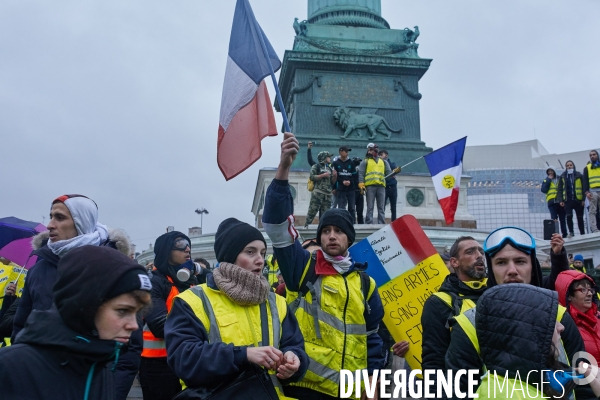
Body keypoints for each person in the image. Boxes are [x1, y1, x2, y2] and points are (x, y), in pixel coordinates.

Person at [262, 132, 385, 399]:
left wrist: (374, 378)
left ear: (349, 238)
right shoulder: (305, 269)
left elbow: (373, 338)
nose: (331, 235)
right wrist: (284, 167)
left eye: (338, 231)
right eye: (325, 231)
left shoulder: (365, 283)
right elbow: (277, 226)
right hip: (306, 387)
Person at [9, 194, 140, 400]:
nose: (50, 225)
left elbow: (130, 345)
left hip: (94, 384)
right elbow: (21, 328)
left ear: (81, 222)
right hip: (41, 384)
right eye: (51, 216)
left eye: (60, 218)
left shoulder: (112, 267)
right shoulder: (39, 268)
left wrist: (111, 390)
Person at [165, 218, 308, 398]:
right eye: (250, 252)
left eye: (263, 253)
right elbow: (183, 359)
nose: (260, 260)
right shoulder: (192, 301)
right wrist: (243, 355)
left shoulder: (276, 302)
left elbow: (294, 346)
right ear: (230, 256)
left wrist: (294, 361)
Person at [444, 227, 589, 399]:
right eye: (501, 262)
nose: (512, 270)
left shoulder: (559, 315)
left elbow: (584, 384)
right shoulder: (469, 325)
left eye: (520, 261)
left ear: (532, 267)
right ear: (491, 269)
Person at [0, 245, 152, 400]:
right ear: (86, 304)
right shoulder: (9, 367)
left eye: (137, 312)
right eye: (122, 311)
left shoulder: (101, 366)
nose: (133, 325)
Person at [475, 284, 577, 400]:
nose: (561, 327)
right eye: (550, 321)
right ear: (524, 331)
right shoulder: (515, 396)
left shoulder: (505, 385)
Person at [421, 236, 488, 398]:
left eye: (481, 251)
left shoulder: (498, 295)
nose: (479, 255)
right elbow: (434, 360)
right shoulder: (439, 303)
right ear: (454, 262)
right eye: (470, 252)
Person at [139, 231, 198, 400]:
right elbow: (160, 327)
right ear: (166, 251)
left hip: (186, 359)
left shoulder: (190, 281)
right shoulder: (153, 282)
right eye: (180, 245)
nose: (187, 249)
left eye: (189, 245)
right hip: (158, 366)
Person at [556, 270, 600, 363]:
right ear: (568, 295)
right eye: (583, 290)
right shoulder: (563, 327)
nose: (589, 294)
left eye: (590, 290)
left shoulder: (598, 318)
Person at [358, 143, 398, 224]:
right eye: (371, 150)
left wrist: (394, 172)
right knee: (370, 207)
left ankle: (381, 223)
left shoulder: (383, 162)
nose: (373, 151)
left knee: (381, 207)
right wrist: (361, 184)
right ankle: (369, 223)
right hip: (370, 186)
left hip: (381, 186)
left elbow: (388, 174)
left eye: (374, 149)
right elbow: (361, 173)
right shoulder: (365, 161)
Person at [305, 151, 337, 228]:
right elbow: (312, 177)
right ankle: (305, 227)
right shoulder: (316, 166)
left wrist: (335, 176)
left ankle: (323, 230)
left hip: (328, 195)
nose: (330, 158)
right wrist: (323, 175)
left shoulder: (329, 168)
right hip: (318, 194)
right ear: (324, 158)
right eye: (328, 157)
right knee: (312, 212)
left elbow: (331, 182)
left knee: (325, 215)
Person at [558, 160, 585, 237]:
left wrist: (583, 199)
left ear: (573, 166)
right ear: (566, 167)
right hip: (567, 200)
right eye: (567, 165)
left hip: (578, 200)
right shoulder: (562, 176)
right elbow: (559, 189)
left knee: (580, 217)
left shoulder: (579, 175)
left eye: (571, 165)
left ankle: (582, 233)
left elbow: (583, 187)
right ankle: (571, 232)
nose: (569, 167)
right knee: (569, 216)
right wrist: (561, 200)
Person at [332, 145, 357, 223]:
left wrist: (349, 181)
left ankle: (352, 223)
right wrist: (340, 183)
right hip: (341, 188)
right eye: (345, 151)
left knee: (352, 207)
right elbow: (335, 176)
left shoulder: (351, 163)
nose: (347, 153)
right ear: (341, 152)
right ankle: (342, 223)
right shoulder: (335, 163)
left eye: (348, 152)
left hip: (351, 188)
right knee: (341, 207)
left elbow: (354, 175)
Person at [542, 166, 568, 238]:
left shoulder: (560, 179)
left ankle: (565, 234)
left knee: (562, 218)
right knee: (554, 219)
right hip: (551, 202)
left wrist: (563, 200)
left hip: (560, 201)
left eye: (551, 171)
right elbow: (543, 190)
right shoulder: (546, 180)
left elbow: (564, 188)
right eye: (549, 171)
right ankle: (556, 234)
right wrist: (548, 180)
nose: (550, 173)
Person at [379, 149, 399, 222]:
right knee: (382, 206)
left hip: (393, 187)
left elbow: (394, 171)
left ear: (386, 155)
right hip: (385, 187)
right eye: (380, 155)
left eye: (382, 155)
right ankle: (381, 220)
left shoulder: (392, 164)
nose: (380, 156)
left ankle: (394, 221)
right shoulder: (379, 165)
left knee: (393, 207)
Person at [583, 150, 600, 233]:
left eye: (594, 154)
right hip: (593, 192)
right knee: (592, 210)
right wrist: (586, 192)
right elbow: (585, 181)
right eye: (591, 155)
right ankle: (594, 229)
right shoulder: (587, 168)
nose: (592, 156)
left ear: (597, 155)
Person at [352, 156, 365, 224]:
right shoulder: (351, 169)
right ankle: (353, 223)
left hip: (360, 191)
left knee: (360, 211)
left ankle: (361, 224)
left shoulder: (361, 170)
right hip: (353, 191)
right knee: (352, 210)